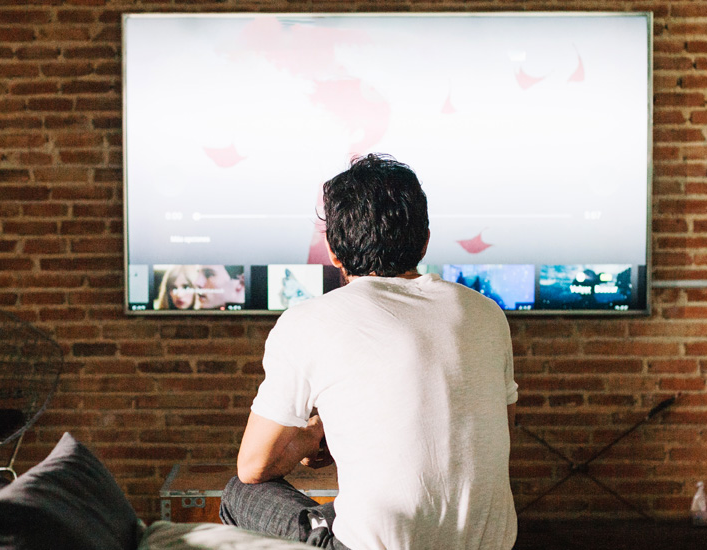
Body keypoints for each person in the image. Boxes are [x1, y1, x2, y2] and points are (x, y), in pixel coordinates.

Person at [220, 154, 518, 550]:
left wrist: (312, 436)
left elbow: (253, 466)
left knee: (239, 492)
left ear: (332, 250)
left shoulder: (309, 321)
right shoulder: (487, 312)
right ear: (425, 240)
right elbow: (500, 427)